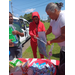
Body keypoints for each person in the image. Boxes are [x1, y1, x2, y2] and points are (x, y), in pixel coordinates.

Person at [45, 2, 65, 75]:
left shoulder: (63, 17)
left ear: (56, 10)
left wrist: (52, 41)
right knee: (61, 67)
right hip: (63, 48)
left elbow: (63, 36)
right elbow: (49, 30)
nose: (49, 16)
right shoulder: (53, 19)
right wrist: (41, 34)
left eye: (50, 14)